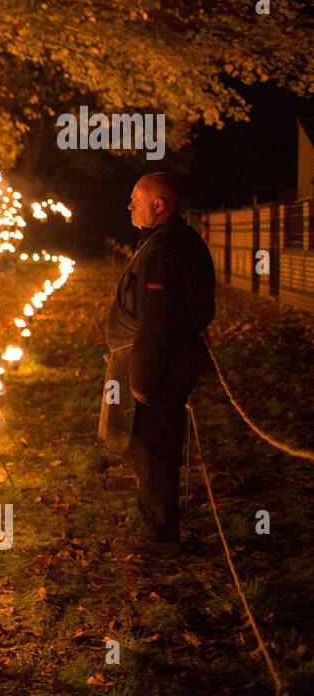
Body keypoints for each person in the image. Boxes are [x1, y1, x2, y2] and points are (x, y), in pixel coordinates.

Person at [99, 172, 215, 554]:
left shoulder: (164, 252)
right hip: (160, 362)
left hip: (155, 368)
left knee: (149, 447)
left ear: (159, 205)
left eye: (136, 198)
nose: (129, 205)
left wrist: (143, 382)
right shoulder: (169, 241)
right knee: (151, 446)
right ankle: (157, 523)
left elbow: (159, 321)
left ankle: (160, 534)